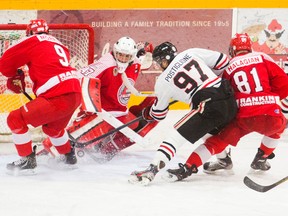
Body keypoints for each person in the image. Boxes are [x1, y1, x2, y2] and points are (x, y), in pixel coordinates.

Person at [160, 33, 288, 183]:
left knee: (216, 142)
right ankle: (262, 157)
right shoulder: (262, 57)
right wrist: (267, 98)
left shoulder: (228, 67)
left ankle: (187, 167)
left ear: (232, 50)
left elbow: (225, 95)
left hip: (242, 117)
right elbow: (284, 85)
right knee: (279, 127)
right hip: (268, 112)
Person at [129, 41, 238, 185]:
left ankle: (152, 169)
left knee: (174, 136)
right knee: (208, 133)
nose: (158, 65)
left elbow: (159, 114)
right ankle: (223, 159)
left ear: (165, 59)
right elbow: (223, 62)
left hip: (208, 104)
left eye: (158, 62)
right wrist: (210, 80)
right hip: (229, 99)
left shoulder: (162, 81)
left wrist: (148, 113)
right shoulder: (190, 52)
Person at [40, 36, 157, 162]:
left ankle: (105, 149)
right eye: (120, 55)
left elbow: (142, 51)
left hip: (120, 114)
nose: (123, 59)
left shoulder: (135, 63)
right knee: (74, 139)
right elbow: (77, 77)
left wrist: (147, 48)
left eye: (126, 56)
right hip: (101, 115)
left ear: (132, 56)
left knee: (140, 122)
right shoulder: (105, 64)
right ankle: (46, 152)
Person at [0, 19, 81, 174]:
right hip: (75, 93)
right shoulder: (60, 45)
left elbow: (5, 63)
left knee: (15, 119)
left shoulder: (33, 39)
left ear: (29, 33)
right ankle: (69, 156)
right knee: (53, 128)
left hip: (57, 95)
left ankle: (27, 160)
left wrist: (14, 75)